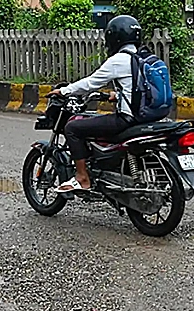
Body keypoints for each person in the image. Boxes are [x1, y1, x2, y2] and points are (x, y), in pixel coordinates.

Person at [47, 15, 142, 193]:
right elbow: (139, 88)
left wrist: (65, 90)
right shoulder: (145, 59)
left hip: (127, 119)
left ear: (114, 38)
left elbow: (91, 83)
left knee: (73, 128)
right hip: (146, 117)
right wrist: (120, 95)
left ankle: (82, 177)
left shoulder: (119, 60)